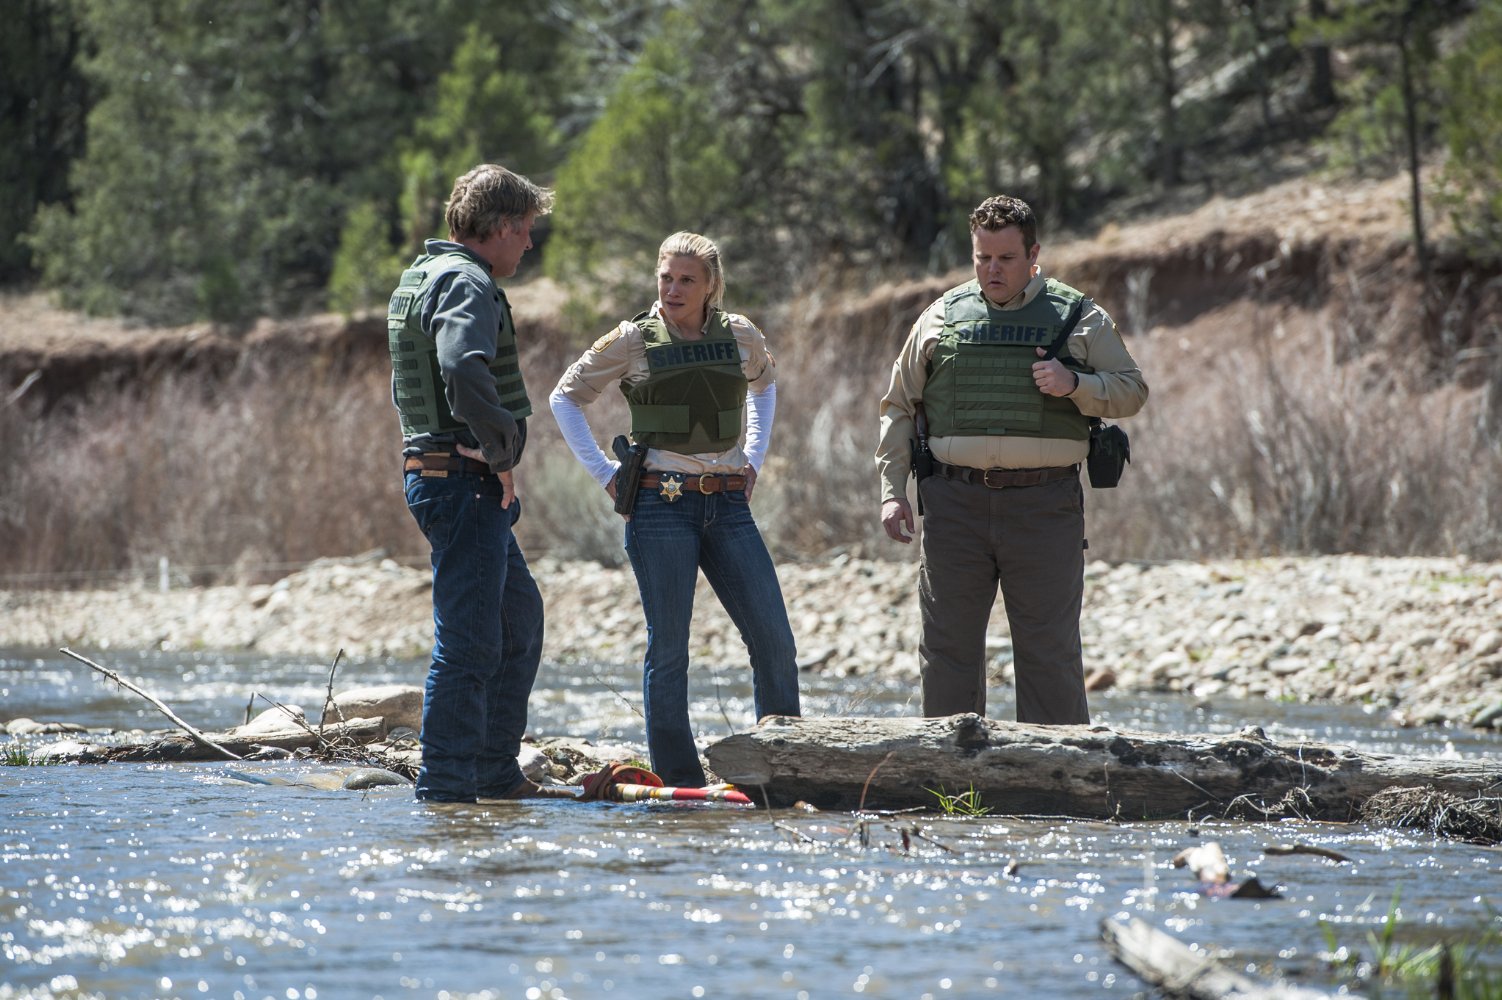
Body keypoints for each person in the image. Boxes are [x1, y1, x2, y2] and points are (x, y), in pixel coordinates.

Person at [876, 195, 1148, 725]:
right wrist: (892, 491)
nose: (991, 270)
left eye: (1004, 258)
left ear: (1033, 254)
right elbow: (897, 405)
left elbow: (1131, 391)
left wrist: (1075, 385)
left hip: (1045, 506)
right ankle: (950, 784)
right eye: (982, 258)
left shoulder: (1078, 315)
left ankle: (1056, 784)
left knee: (1049, 654)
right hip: (953, 505)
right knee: (948, 650)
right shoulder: (941, 317)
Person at [549, 231, 801, 787]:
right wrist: (606, 477)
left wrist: (753, 457)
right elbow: (564, 398)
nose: (673, 288)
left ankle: (783, 773)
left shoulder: (741, 334)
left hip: (729, 504)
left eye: (687, 279)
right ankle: (680, 782)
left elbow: (765, 388)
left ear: (712, 285)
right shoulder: (633, 339)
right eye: (666, 277)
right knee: (670, 650)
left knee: (774, 642)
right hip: (660, 506)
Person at [387, 163, 572, 802]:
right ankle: (446, 792)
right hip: (462, 483)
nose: (528, 243)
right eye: (524, 230)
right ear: (496, 227)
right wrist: (498, 451)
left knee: (517, 619)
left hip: (445, 479)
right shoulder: (467, 282)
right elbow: (462, 366)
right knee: (468, 643)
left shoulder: (425, 274)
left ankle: (493, 774)